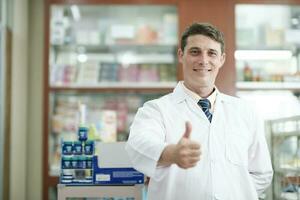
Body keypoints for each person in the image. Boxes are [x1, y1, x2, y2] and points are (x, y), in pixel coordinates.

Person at [125, 22, 273, 200]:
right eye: (195, 52)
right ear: (181, 55)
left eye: (212, 53)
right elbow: (137, 146)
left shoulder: (245, 111)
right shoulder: (156, 109)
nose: (204, 60)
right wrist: (172, 154)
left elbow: (261, 173)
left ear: (222, 59)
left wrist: (233, 192)